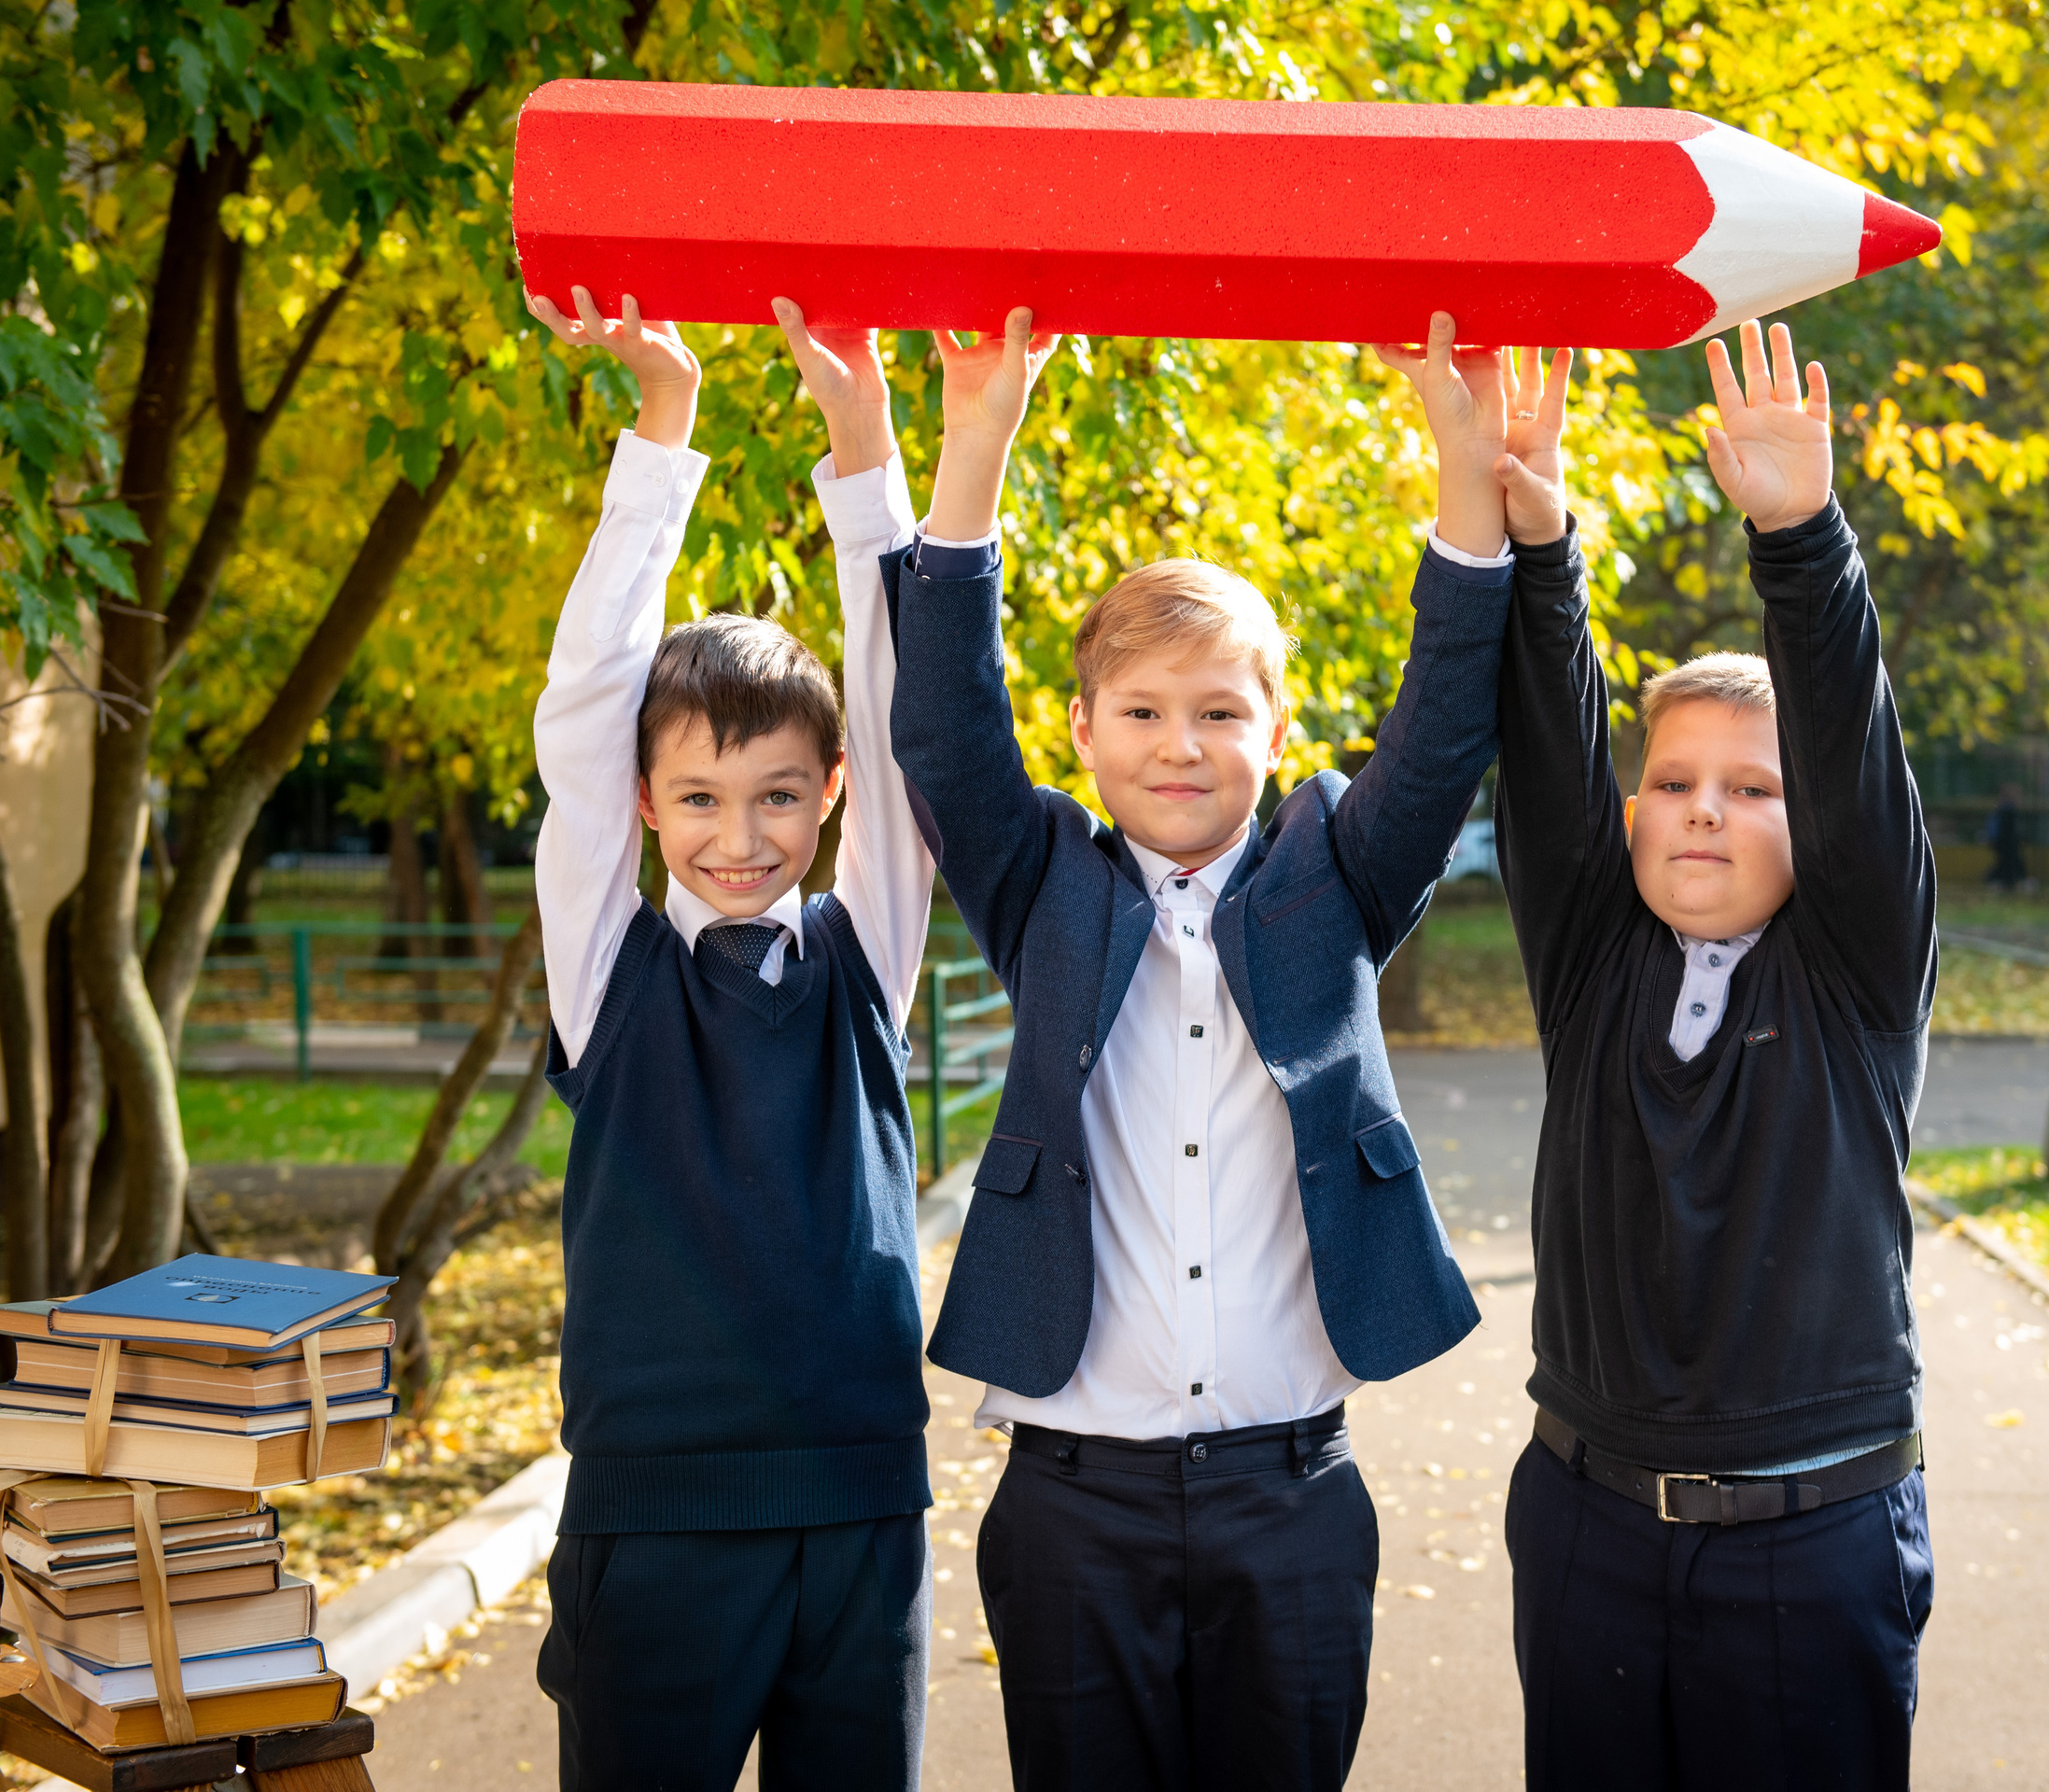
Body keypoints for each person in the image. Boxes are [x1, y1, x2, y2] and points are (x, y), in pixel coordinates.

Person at [856, 305, 1521, 1789]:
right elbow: (945, 732)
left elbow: (1441, 737)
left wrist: (1463, 467)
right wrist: (979, 440)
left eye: (1221, 711)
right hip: (1071, 1503)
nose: (1180, 743)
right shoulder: (1039, 884)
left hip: (1292, 1496)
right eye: (1144, 711)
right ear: (1082, 732)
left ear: (1277, 730)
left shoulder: (1337, 878)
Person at [1493, 319, 1937, 1788]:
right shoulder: (1593, 960)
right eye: (1674, 780)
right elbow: (1546, 760)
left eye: (1753, 789)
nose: (1701, 807)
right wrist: (1542, 546)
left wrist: (1800, 538)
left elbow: (1853, 759)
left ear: (1814, 831)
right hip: (1587, 1525)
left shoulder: (1856, 973)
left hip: (1813, 1542)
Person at [524, 284, 938, 1790]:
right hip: (653, 1520)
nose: (741, 837)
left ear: (830, 793)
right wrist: (666, 421)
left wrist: (863, 448)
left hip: (860, 1512)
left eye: (777, 797)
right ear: (645, 806)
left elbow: (903, 714)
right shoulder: (608, 971)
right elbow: (587, 706)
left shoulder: (863, 955)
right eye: (698, 799)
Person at [1986, 780, 2029, 891]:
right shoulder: (2004, 811)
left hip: (2007, 842)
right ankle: (2003, 882)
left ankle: (2008, 882)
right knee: (2007, 862)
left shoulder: (2006, 811)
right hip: (2004, 841)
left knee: (2010, 863)